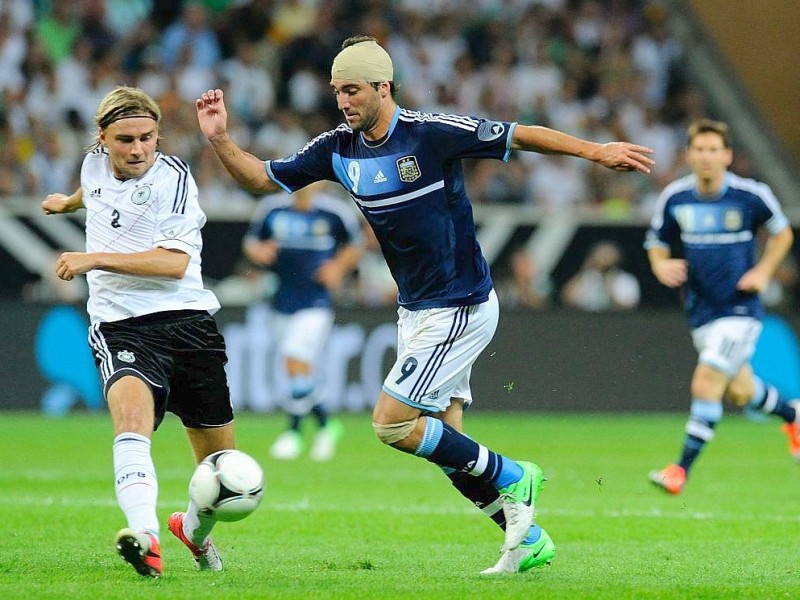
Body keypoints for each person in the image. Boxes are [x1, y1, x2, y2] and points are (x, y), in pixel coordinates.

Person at [195, 36, 654, 574]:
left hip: (459, 303)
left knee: (391, 423)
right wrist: (222, 139)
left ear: (383, 87)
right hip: (416, 310)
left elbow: (519, 135)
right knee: (447, 443)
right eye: (337, 91)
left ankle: (513, 475)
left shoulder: (430, 133)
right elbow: (261, 180)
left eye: (353, 90)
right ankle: (525, 540)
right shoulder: (336, 149)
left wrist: (595, 151)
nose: (343, 102)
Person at [41, 86, 236, 578]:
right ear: (102, 139)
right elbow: (96, 192)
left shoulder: (174, 178)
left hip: (188, 321)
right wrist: (68, 203)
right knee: (131, 422)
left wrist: (92, 258)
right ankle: (145, 536)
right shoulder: (92, 164)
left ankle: (191, 530)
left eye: (147, 138)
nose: (137, 150)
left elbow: (173, 264)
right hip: (121, 324)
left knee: (222, 471)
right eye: (125, 140)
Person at [646, 118, 797, 495]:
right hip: (701, 312)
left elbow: (782, 233)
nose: (707, 156)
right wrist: (660, 264)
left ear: (727, 155)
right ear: (689, 155)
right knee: (742, 392)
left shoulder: (750, 195)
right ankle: (794, 415)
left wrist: (763, 271)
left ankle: (679, 470)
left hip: (740, 311)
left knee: (707, 381)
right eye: (699, 149)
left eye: (714, 149)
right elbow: (656, 241)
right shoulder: (676, 198)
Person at [243, 181, 363, 461]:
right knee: (299, 368)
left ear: (320, 182)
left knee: (293, 355)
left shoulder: (334, 212)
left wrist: (338, 267)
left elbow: (355, 245)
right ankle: (325, 424)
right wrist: (258, 252)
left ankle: (293, 432)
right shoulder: (272, 209)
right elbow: (251, 242)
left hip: (316, 302)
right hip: (281, 300)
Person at [561, 240, 641, 311]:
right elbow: (567, 299)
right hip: (586, 321)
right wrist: (584, 270)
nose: (604, 259)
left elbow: (628, 307)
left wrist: (608, 280)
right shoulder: (587, 276)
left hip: (614, 322)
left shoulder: (625, 279)